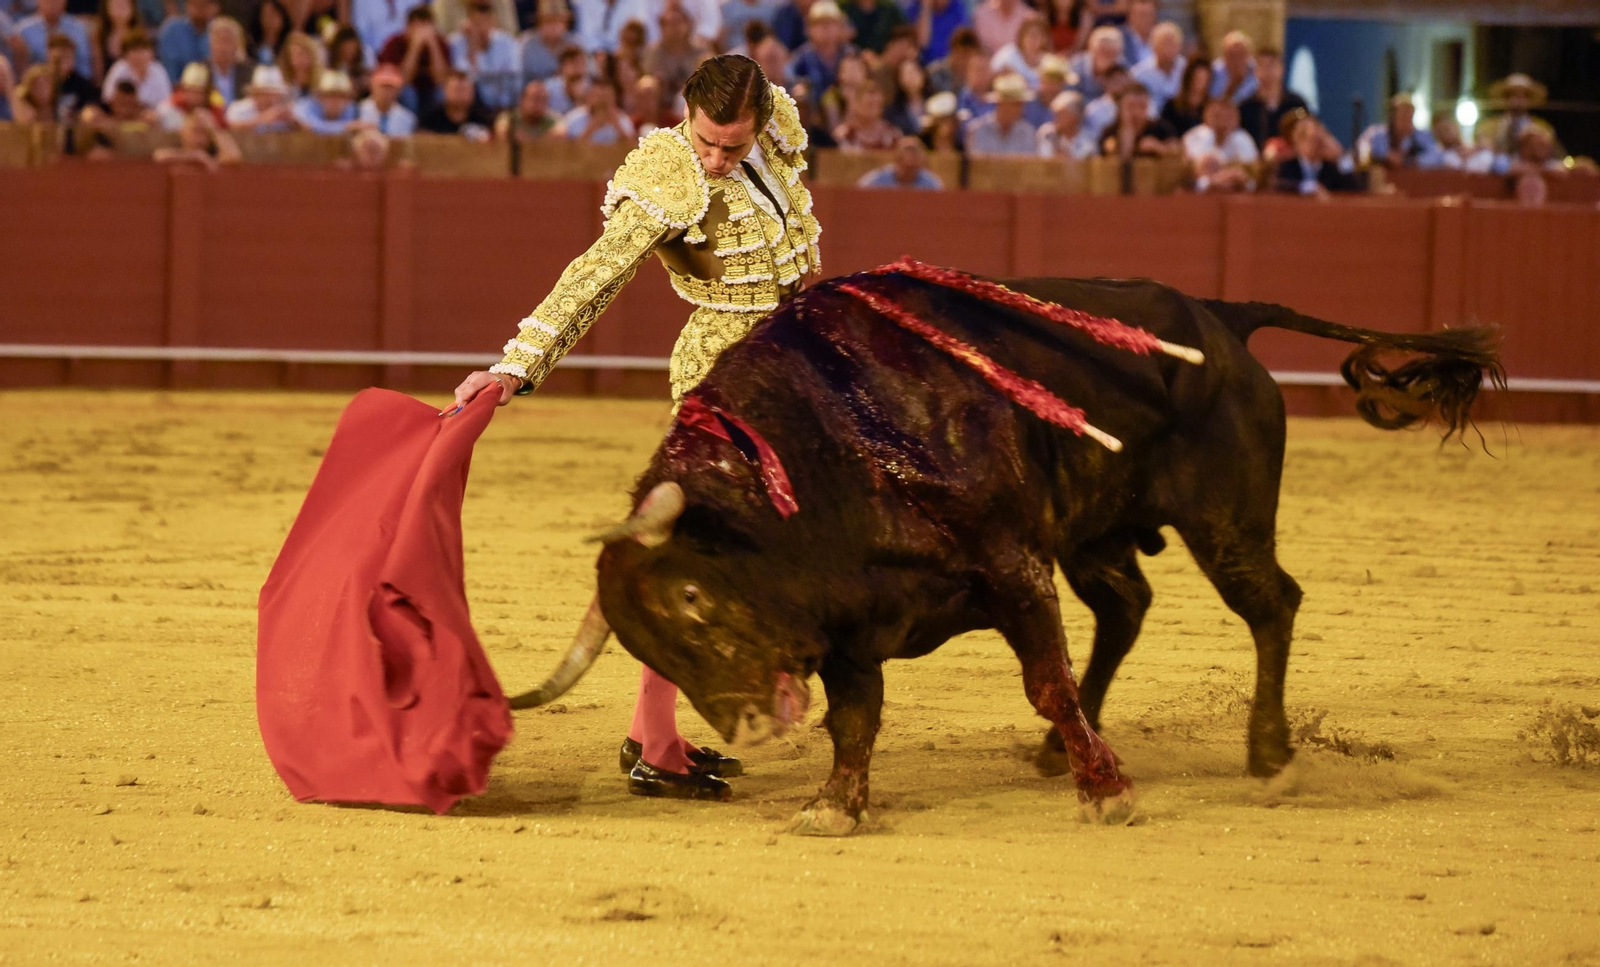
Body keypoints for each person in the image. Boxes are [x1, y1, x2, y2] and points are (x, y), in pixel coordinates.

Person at [449, 55, 820, 801]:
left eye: (733, 147)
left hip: (792, 358)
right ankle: (657, 739)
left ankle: (658, 734)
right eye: (708, 142)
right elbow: (596, 272)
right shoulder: (663, 175)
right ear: (687, 113)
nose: (717, 160)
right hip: (723, 371)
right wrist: (515, 365)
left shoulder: (773, 119)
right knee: (704, 557)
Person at [379, 4, 452, 111]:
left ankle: (435, 124)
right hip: (406, 94)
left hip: (430, 90)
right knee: (408, 92)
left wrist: (433, 45)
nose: (422, 34)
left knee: (441, 91)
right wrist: (415, 48)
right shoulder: (394, 43)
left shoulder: (440, 43)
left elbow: (441, 79)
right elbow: (402, 80)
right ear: (407, 27)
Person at [788, 0, 852, 112]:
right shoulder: (802, 56)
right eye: (819, 24)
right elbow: (790, 79)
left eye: (830, 23)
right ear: (809, 29)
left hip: (847, 112)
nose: (825, 28)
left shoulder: (850, 54)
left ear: (840, 26)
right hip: (814, 115)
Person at [1478, 73, 1559, 159]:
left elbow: (1556, 157)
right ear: (1505, 98)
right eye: (1512, 95)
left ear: (1530, 100)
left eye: (1523, 96)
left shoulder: (1542, 128)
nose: (1517, 100)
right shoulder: (1487, 127)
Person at [1183, 95, 1256, 191]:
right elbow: (1196, 168)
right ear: (1206, 116)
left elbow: (1249, 168)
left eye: (1228, 116)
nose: (1223, 121)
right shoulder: (1196, 136)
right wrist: (1220, 178)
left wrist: (1230, 176)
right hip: (1200, 188)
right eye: (1218, 115)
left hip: (1236, 186)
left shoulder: (1242, 138)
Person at [1273, 115, 1357, 195]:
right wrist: (1306, 187)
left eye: (1317, 140)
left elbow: (1353, 192)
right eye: (1308, 139)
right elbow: (1277, 185)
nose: (1314, 145)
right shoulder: (1287, 166)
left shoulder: (1331, 169)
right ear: (1296, 142)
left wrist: (1341, 156)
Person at [1237, 46, 1303, 148]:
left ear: (1281, 69)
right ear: (1255, 71)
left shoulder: (1295, 104)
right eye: (1262, 66)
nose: (1267, 71)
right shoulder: (1246, 107)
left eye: (1271, 65)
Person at [642, 2, 709, 98]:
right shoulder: (653, 53)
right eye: (669, 24)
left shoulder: (701, 51)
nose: (674, 28)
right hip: (662, 104)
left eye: (678, 22)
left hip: (695, 98)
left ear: (687, 24)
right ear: (662, 27)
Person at [1356, 93, 1441, 170]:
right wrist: (1386, 157)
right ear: (1392, 116)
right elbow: (1364, 154)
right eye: (1403, 113)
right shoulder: (1377, 134)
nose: (1407, 117)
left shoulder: (1422, 136)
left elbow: (1437, 156)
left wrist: (1413, 161)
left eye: (1409, 114)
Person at [12, 0, 93, 77]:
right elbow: (22, 68)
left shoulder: (79, 29)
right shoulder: (24, 31)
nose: (53, 4)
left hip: (74, 85)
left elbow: (85, 66)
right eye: (48, 1)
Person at [965, 69, 1035, 155]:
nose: (1021, 109)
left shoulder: (1028, 133)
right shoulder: (978, 130)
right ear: (1001, 104)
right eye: (1016, 104)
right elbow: (976, 166)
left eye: (1022, 104)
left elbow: (1030, 166)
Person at [1097, 80, 1173, 159]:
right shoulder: (1110, 132)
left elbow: (1176, 151)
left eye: (1142, 106)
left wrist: (1159, 148)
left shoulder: (1161, 129)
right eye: (1131, 106)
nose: (1136, 112)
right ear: (1119, 109)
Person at [554, 67, 633, 143]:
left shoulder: (623, 120)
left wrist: (617, 125)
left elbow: (632, 149)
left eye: (606, 96)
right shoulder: (575, 118)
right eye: (597, 96)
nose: (602, 101)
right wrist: (592, 127)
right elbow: (569, 149)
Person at [154, 106, 241, 168]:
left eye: (205, 132)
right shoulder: (174, 153)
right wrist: (193, 157)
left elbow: (233, 157)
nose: (200, 138)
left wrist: (213, 129)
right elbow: (159, 157)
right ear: (183, 131)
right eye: (195, 130)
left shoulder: (212, 160)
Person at [419, 66, 494, 136]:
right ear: (445, 91)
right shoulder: (430, 119)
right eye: (456, 90)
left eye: (464, 90)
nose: (460, 95)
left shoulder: (483, 119)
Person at [225, 63, 301, 130]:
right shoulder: (238, 109)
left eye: (273, 95)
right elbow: (229, 127)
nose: (268, 98)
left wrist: (294, 121)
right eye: (264, 94)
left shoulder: (284, 112)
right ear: (254, 94)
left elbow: (308, 132)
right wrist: (263, 119)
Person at [155, 0, 217, 83]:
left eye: (204, 5)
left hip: (213, 90)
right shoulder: (172, 30)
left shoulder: (220, 31)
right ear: (186, 6)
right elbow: (169, 72)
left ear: (214, 7)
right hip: (178, 90)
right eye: (195, 4)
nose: (199, 9)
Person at [1128, 19, 1181, 114]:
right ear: (1153, 46)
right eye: (1163, 43)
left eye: (1171, 43)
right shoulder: (1139, 74)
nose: (1168, 48)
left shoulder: (1187, 70)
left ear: (1179, 46)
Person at [832, 78, 896, 149]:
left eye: (878, 105)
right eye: (869, 104)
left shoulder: (892, 134)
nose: (874, 110)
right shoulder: (843, 135)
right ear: (855, 105)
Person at [987, 13, 1046, 90]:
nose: (1033, 39)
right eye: (1029, 34)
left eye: (1036, 35)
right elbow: (990, 76)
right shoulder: (1007, 55)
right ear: (1022, 35)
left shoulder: (1048, 62)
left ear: (1043, 38)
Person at [858, 134, 942, 188]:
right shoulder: (879, 179)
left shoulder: (930, 183)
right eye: (909, 150)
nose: (914, 154)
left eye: (917, 151)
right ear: (897, 157)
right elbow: (861, 195)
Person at [91, 0, 145, 83]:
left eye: (124, 4)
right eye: (117, 4)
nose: (121, 7)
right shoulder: (98, 37)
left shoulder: (141, 35)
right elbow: (98, 76)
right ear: (107, 7)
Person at [518, 0, 573, 80]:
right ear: (539, 24)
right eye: (548, 22)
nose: (553, 27)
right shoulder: (527, 44)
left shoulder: (575, 43)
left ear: (566, 24)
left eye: (558, 22)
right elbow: (520, 80)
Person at [205, 15, 253, 105]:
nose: (223, 47)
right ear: (210, 43)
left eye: (228, 41)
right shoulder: (200, 70)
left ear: (237, 45)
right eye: (219, 40)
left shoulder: (249, 71)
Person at [359, 62, 417, 134]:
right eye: (382, 86)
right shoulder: (358, 111)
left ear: (398, 90)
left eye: (391, 87)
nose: (386, 91)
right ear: (372, 86)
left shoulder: (408, 118)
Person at [1067, 23, 1120, 101]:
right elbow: (1069, 93)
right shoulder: (1076, 66)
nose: (1105, 55)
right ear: (1091, 49)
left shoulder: (1123, 71)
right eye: (1102, 50)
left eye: (1110, 52)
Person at [1158, 56, 1207, 137]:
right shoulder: (1171, 106)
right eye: (1197, 77)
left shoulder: (1210, 108)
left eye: (1203, 78)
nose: (1200, 82)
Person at [905, 0, 966, 65]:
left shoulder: (956, 6)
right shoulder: (914, 10)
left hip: (953, 64)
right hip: (927, 66)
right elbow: (922, 43)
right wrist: (926, 8)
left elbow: (963, 41)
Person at [1036, 88, 1091, 159]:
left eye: (1061, 114)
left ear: (1074, 117)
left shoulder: (1088, 140)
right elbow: (1043, 158)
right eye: (1055, 114)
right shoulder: (1047, 134)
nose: (1056, 118)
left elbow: (1084, 163)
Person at [1210, 29, 1255, 103]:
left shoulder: (1257, 71)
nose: (1236, 60)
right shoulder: (1214, 72)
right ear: (1224, 56)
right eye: (1231, 55)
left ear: (1248, 55)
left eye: (1240, 54)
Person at [1117, 0, 1153, 66]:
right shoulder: (1119, 37)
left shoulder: (1159, 38)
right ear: (1130, 15)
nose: (1145, 20)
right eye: (1142, 15)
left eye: (1149, 15)